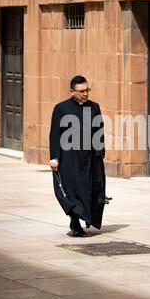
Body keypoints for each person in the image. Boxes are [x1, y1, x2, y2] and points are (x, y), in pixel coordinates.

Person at [49, 75, 106, 237]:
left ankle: (87, 217)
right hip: (69, 158)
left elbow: (99, 131)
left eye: (87, 90)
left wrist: (100, 152)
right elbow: (54, 135)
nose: (85, 94)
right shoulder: (61, 109)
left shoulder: (94, 107)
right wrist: (54, 157)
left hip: (89, 158)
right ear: (71, 92)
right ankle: (75, 222)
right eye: (81, 91)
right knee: (72, 190)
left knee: (89, 188)